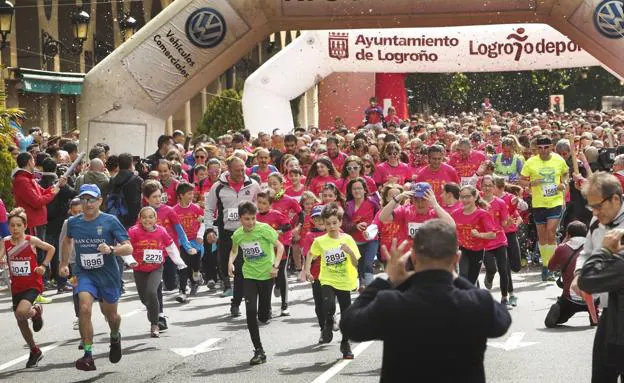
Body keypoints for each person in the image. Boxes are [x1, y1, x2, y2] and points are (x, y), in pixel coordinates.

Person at [340, 219, 512, 383]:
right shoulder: (477, 302)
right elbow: (503, 321)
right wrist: (455, 278)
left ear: (413, 257)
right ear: (456, 259)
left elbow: (350, 324)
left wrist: (388, 279)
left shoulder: (391, 303)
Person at [59, 184, 136, 371]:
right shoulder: (73, 222)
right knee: (84, 307)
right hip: (84, 273)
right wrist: (63, 263)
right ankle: (88, 354)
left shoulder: (110, 221)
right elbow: (67, 240)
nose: (88, 203)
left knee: (111, 315)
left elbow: (128, 247)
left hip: (108, 275)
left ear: (100, 201)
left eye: (92, 199)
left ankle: (115, 335)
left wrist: (111, 249)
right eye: (84, 199)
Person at [572, 172, 624, 382]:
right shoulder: (596, 221)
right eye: (591, 207)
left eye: (598, 206)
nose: (594, 212)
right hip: (609, 309)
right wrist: (578, 274)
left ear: (615, 199)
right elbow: (587, 252)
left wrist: (588, 278)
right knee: (602, 374)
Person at [205, 156, 261, 317]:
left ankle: (236, 303)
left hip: (247, 234)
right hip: (227, 233)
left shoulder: (253, 185)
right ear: (228, 169)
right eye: (237, 170)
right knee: (226, 267)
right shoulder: (218, 187)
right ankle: (235, 295)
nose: (242, 172)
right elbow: (209, 209)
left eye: (243, 169)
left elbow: (262, 206)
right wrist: (210, 229)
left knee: (241, 269)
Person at [228, 201, 283, 365]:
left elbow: (280, 247)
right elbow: (234, 250)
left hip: (267, 275)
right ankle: (259, 350)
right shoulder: (238, 234)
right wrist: (230, 262)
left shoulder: (264, 229)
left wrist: (276, 266)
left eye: (253, 218)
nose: (250, 222)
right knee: (250, 312)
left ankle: (267, 311)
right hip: (249, 275)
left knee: (263, 316)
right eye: (246, 219)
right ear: (240, 219)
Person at [0, 208, 55, 368]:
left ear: (25, 226)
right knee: (20, 319)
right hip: (17, 286)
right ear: (8, 227)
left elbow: (51, 249)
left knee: (21, 312)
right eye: (12, 225)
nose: (15, 228)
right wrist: (2, 260)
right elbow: (1, 255)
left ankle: (35, 312)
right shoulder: (6, 241)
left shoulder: (31, 240)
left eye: (18, 225)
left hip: (32, 284)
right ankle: (34, 350)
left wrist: (43, 266)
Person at [305, 202, 360, 359]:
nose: (331, 226)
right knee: (327, 304)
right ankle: (329, 322)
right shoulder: (320, 241)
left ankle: (345, 343)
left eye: (335, 223)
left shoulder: (348, 239)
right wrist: (307, 270)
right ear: (324, 223)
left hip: (344, 280)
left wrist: (349, 252)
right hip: (327, 279)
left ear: (340, 222)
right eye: (328, 223)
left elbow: (356, 263)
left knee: (346, 313)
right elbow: (310, 254)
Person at [128, 207, 187, 337]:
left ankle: (154, 325)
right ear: (140, 219)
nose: (147, 220)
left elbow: (170, 246)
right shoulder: (133, 231)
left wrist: (179, 262)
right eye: (144, 217)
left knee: (151, 292)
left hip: (156, 268)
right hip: (139, 269)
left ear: (156, 219)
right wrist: (129, 260)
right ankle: (152, 309)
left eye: (150, 217)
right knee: (145, 299)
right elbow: (126, 246)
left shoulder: (161, 231)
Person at [520, 136, 569, 281]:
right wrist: (531, 183)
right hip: (538, 203)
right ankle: (546, 265)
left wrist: (563, 184)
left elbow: (565, 174)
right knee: (542, 237)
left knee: (551, 232)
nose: (543, 151)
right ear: (537, 149)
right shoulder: (531, 162)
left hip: (555, 201)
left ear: (552, 147)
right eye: (540, 148)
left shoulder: (559, 160)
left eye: (546, 147)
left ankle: (551, 266)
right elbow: (521, 180)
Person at [545, 220, 594, 328]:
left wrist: (562, 244)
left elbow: (550, 267)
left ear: (568, 234)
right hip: (591, 298)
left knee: (561, 315)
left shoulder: (562, 248)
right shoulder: (593, 247)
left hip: (569, 299)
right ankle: (594, 315)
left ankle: (560, 309)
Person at [378, 182, 455, 247]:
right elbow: (382, 217)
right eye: (416, 200)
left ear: (430, 199)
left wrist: (435, 204)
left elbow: (452, 225)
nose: (420, 203)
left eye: (423, 199)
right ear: (412, 199)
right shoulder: (405, 210)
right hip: (408, 256)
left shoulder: (436, 212)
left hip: (429, 256)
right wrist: (398, 197)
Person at [451, 185, 497, 285]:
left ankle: (474, 296)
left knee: (471, 281)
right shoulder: (455, 214)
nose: (464, 200)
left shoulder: (482, 214)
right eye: (462, 197)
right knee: (463, 276)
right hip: (463, 249)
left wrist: (479, 235)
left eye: (467, 197)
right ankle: (465, 298)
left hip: (477, 251)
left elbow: (493, 235)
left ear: (475, 197)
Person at [343, 178, 380, 290]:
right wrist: (356, 225)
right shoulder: (347, 205)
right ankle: (362, 286)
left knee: (368, 264)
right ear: (351, 191)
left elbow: (379, 218)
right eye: (354, 189)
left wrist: (371, 228)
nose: (357, 191)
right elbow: (343, 224)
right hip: (354, 241)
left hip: (371, 240)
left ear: (365, 190)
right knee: (359, 266)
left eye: (359, 188)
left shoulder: (373, 203)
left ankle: (370, 288)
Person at [172, 183, 205, 299]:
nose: (192, 196)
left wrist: (200, 235)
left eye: (193, 193)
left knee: (194, 264)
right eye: (189, 194)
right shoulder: (174, 210)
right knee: (183, 264)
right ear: (181, 195)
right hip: (182, 242)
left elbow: (203, 223)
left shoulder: (196, 208)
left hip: (196, 241)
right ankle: (182, 290)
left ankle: (196, 276)